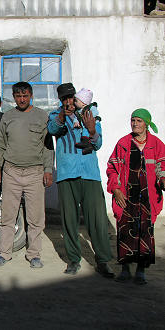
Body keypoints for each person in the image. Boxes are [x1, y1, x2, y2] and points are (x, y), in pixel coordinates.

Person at [47, 83, 114, 277]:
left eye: (71, 97)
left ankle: (102, 261)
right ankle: (74, 260)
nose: (69, 102)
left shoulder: (88, 113)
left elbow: (98, 143)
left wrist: (92, 131)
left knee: (97, 219)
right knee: (69, 220)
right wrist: (63, 115)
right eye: (65, 99)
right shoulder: (55, 115)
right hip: (67, 173)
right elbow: (53, 129)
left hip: (89, 173)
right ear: (60, 100)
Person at [0, 82, 54, 269]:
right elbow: (0, 145)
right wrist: (0, 171)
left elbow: (48, 146)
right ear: (13, 97)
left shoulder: (42, 116)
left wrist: (48, 170)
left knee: (35, 217)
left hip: (35, 173)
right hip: (11, 172)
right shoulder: (8, 117)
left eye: (25, 95)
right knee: (8, 216)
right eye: (18, 96)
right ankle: (4, 253)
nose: (22, 99)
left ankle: (34, 254)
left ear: (31, 95)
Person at [107, 109, 165, 284]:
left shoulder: (156, 144)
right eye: (133, 120)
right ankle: (125, 270)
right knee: (125, 233)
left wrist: (162, 179)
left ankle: (141, 271)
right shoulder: (123, 143)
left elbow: (162, 166)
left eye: (139, 121)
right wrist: (116, 189)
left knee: (145, 233)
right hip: (126, 197)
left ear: (146, 123)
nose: (135, 124)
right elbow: (112, 169)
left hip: (147, 199)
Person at [70, 88, 101, 155]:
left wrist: (90, 119)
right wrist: (76, 121)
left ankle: (86, 143)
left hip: (94, 124)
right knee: (85, 131)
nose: (74, 102)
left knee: (86, 131)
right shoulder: (78, 111)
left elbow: (95, 113)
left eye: (76, 101)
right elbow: (76, 116)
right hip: (85, 126)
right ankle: (87, 147)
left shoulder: (91, 108)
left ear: (83, 103)